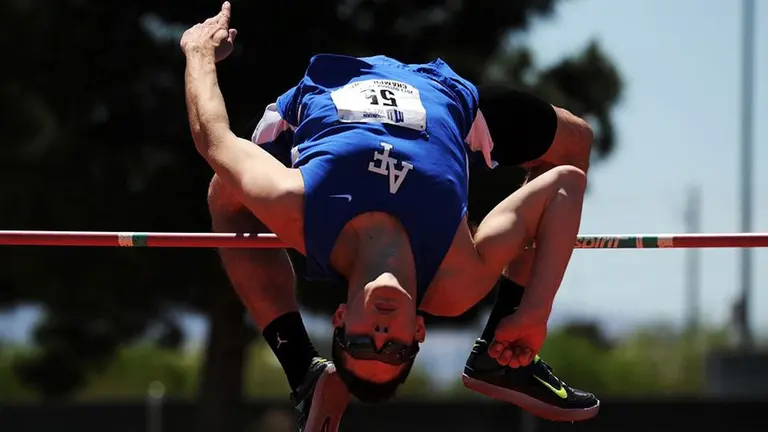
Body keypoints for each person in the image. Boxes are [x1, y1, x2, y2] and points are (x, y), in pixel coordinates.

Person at [181, 3, 598, 430]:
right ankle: (502, 359)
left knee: (226, 189)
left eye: (361, 343)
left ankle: (301, 367)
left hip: (331, 86)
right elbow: (566, 184)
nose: (380, 336)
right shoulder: (455, 280)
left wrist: (197, 52)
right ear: (418, 331)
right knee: (575, 141)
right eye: (394, 349)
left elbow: (213, 139)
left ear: (341, 318)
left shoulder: (299, 210)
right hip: (445, 97)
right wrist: (533, 310)